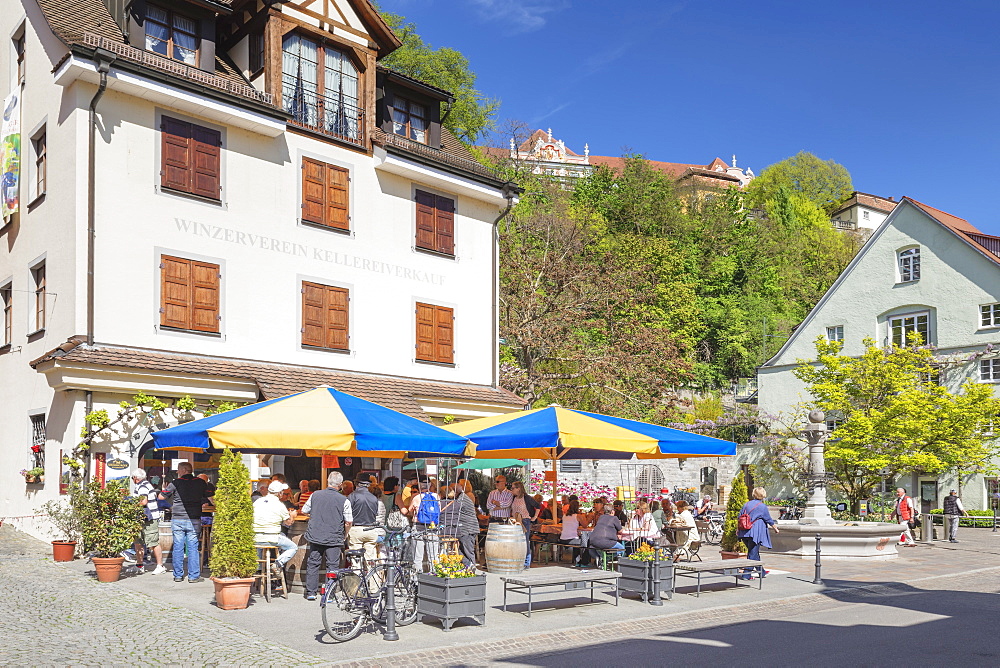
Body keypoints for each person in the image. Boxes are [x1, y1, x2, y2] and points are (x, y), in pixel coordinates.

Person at [302, 472, 352, 601]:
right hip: (334, 536)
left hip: (316, 534)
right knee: (332, 566)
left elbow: (304, 510)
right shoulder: (344, 500)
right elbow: (348, 521)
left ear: (327, 481)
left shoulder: (315, 495)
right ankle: (329, 593)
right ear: (340, 485)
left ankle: (311, 592)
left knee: (313, 563)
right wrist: (345, 534)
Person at [159, 462, 212, 583]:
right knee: (193, 547)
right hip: (194, 518)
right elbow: (211, 497)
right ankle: (193, 576)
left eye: (178, 470)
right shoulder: (200, 482)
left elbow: (161, 497)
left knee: (178, 546)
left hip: (177, 518)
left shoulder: (176, 482)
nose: (177, 472)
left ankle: (178, 575)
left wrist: (164, 490)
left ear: (184, 470)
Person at [253, 480, 298, 573]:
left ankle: (259, 569)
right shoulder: (279, 505)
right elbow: (288, 522)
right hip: (272, 538)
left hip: (255, 538)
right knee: (293, 547)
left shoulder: (258, 502)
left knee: (262, 543)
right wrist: (292, 515)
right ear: (280, 493)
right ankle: (277, 564)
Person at [736, 487, 778, 579]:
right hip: (755, 533)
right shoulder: (762, 506)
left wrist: (737, 530)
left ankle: (761, 572)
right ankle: (746, 575)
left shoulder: (746, 504)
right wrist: (775, 527)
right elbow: (768, 519)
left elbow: (739, 516)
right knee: (752, 553)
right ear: (763, 494)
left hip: (744, 532)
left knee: (754, 552)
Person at [131, 469, 166, 575]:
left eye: (132, 478)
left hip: (149, 518)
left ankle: (160, 566)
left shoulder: (143, 486)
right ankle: (140, 564)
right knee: (138, 541)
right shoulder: (143, 484)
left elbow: (143, 501)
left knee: (153, 542)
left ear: (136, 478)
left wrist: (130, 504)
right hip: (142, 517)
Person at [346, 473, 385, 562]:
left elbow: (346, 515)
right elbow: (375, 513)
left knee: (356, 559)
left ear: (357, 484)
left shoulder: (352, 496)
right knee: (370, 559)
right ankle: (371, 575)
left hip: (356, 529)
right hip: (371, 529)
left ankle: (358, 575)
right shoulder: (374, 498)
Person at [440, 485, 480, 568]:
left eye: (450, 490)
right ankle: (466, 566)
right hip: (465, 528)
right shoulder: (460, 497)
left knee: (467, 550)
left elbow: (452, 509)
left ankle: (472, 567)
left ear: (455, 492)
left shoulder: (461, 500)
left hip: (468, 528)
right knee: (461, 550)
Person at [410, 480, 441, 572]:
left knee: (417, 555)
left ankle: (416, 579)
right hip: (433, 526)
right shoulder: (436, 496)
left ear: (420, 487)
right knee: (433, 554)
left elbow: (410, 509)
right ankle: (434, 576)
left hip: (419, 526)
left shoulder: (416, 497)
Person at [511, 481, 540, 568]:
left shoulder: (526, 498)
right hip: (516, 521)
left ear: (518, 489)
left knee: (525, 541)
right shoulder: (514, 498)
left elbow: (538, 506)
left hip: (525, 521)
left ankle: (526, 562)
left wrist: (534, 517)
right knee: (517, 542)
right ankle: (518, 560)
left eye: (513, 488)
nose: (511, 490)